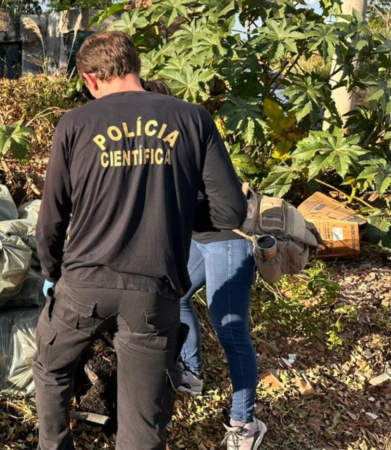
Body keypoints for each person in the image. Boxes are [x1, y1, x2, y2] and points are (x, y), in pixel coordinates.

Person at [34, 31, 248, 450]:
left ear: (89, 79)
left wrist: (51, 271)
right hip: (154, 291)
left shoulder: (75, 123)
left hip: (84, 285)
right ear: (137, 67)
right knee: (143, 417)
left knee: (51, 367)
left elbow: (52, 215)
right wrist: (175, 214)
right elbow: (231, 213)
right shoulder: (193, 119)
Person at [143, 78, 267, 450]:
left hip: (228, 240)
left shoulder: (185, 140)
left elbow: (224, 207)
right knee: (178, 296)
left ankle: (245, 423)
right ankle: (193, 372)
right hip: (199, 239)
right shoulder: (152, 146)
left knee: (230, 329)